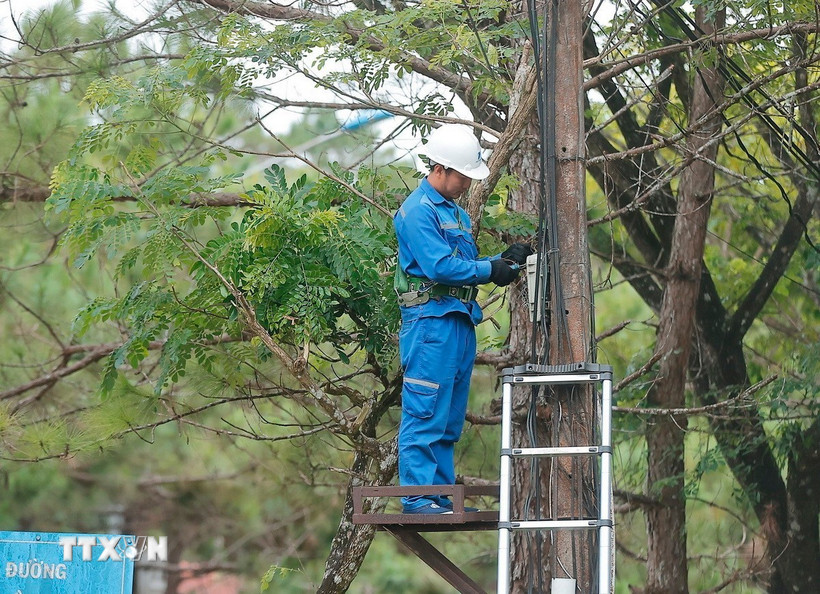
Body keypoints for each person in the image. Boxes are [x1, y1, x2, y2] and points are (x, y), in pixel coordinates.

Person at [393, 124, 533, 514]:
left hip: (458, 320)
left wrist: (501, 260)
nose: (467, 184)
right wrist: (491, 269)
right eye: (462, 176)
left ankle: (439, 496)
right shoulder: (417, 212)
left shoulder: (452, 212)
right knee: (426, 410)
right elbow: (439, 266)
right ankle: (418, 498)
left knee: (449, 416)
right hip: (429, 323)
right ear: (440, 168)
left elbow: (463, 263)